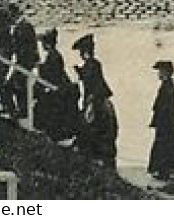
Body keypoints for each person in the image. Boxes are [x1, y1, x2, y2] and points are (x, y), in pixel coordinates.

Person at [73, 35, 118, 164]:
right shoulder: (92, 64)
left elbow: (93, 84)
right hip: (95, 100)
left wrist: (90, 102)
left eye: (82, 52)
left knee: (93, 126)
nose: (81, 55)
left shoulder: (93, 65)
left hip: (95, 101)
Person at [33, 29, 78, 142]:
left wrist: (40, 68)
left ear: (47, 44)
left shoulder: (53, 56)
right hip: (59, 86)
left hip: (58, 89)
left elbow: (52, 74)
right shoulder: (53, 54)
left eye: (43, 43)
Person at [6, 17, 39, 120]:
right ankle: (21, 110)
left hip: (25, 62)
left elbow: (32, 45)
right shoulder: (18, 27)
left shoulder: (24, 27)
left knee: (17, 86)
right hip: (22, 62)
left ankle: (22, 111)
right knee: (17, 86)